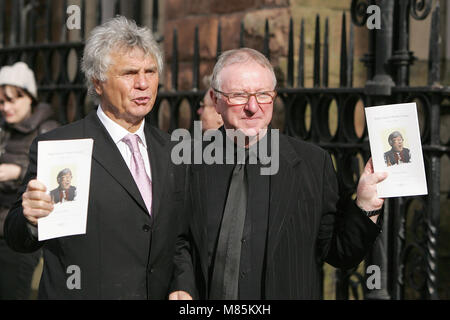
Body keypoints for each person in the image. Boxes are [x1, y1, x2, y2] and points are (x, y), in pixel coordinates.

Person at [169, 48, 388, 300]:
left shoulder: (313, 164)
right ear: (215, 100)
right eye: (239, 96)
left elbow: (340, 252)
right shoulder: (187, 163)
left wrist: (366, 205)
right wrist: (180, 285)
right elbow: (176, 240)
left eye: (263, 95)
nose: (253, 107)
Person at [5, 16, 187, 299]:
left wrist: (182, 284)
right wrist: (31, 218)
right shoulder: (61, 145)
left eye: (150, 71)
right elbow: (18, 236)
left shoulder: (171, 149)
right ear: (97, 82)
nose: (143, 83)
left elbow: (179, 238)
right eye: (129, 73)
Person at [0, 62, 59, 299]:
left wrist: (18, 171)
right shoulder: (3, 129)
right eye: (1, 102)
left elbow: (56, 174)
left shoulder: (47, 129)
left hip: (20, 233)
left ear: (30, 98)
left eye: (12, 99)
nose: (5, 108)